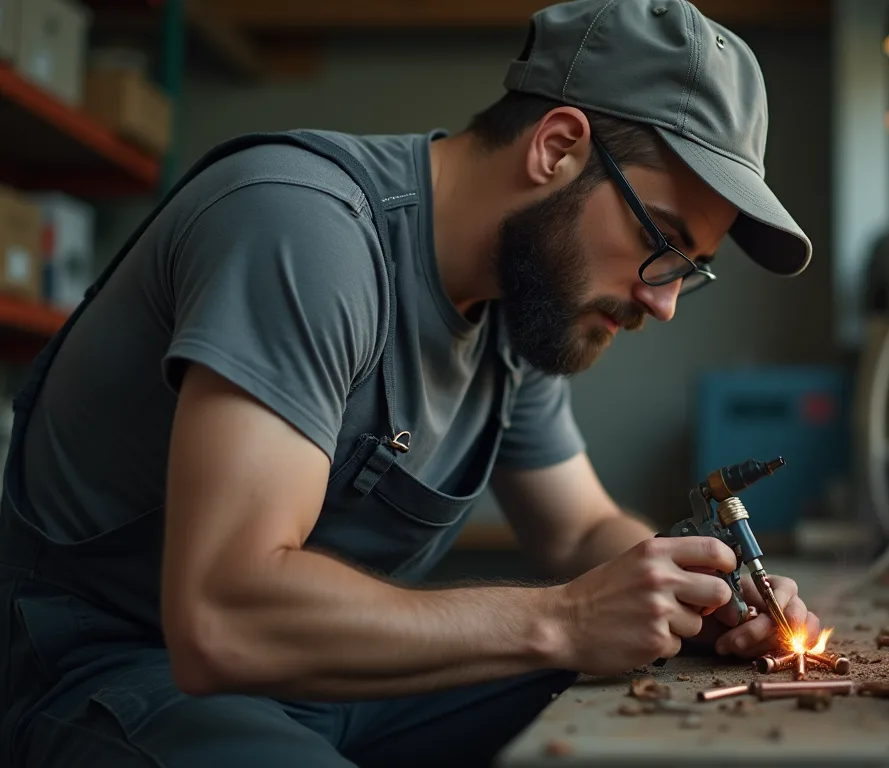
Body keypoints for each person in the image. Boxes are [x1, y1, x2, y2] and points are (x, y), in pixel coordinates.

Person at [0, 0, 820, 765]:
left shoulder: (515, 305)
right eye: (663, 243)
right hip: (118, 673)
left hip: (330, 682)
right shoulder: (303, 230)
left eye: (691, 272)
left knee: (658, 700)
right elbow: (223, 618)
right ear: (557, 147)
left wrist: (700, 594)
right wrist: (565, 618)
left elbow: (579, 531)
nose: (664, 301)